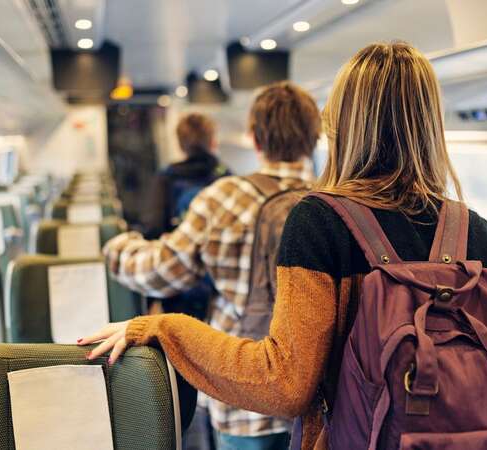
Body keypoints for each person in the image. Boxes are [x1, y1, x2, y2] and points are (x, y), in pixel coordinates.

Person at [80, 43, 487, 449]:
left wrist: (164, 328)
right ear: (433, 124)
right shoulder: (481, 234)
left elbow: (285, 384)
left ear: (341, 124)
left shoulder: (321, 222)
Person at [90, 82, 321, 449]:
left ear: (255, 138)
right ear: (315, 136)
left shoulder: (225, 198)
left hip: (244, 393)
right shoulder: (333, 201)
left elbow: (159, 273)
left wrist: (118, 245)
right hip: (319, 402)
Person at [142, 113, 230, 322]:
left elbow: (154, 228)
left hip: (178, 279)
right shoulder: (226, 177)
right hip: (218, 279)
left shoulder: (166, 177)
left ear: (181, 144)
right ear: (212, 141)